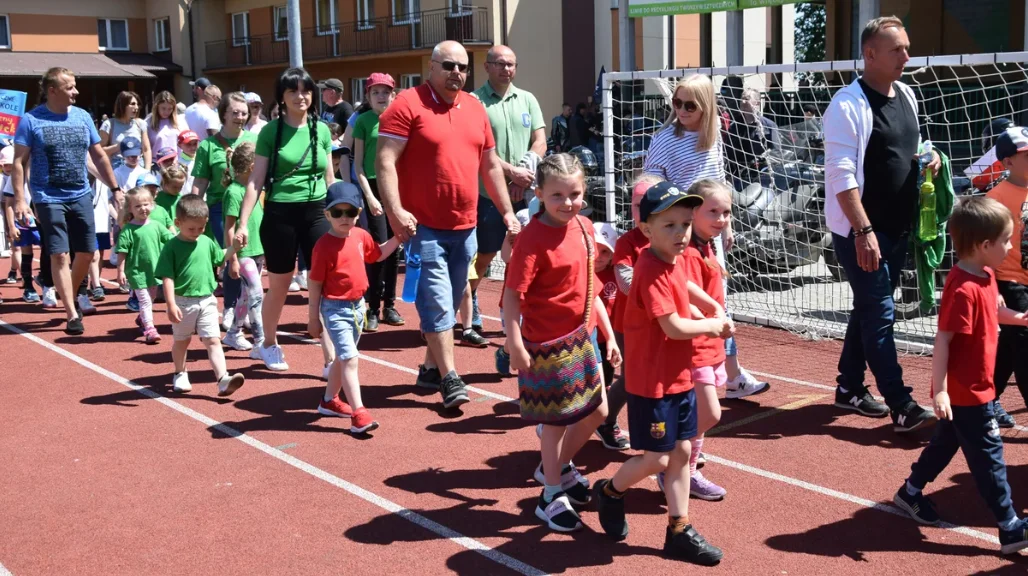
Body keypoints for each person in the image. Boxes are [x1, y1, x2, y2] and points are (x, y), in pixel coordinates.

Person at [377, 40, 519, 409]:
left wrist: (506, 212)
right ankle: (450, 378)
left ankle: (428, 368)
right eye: (449, 66)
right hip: (422, 228)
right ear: (432, 67)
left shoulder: (474, 108)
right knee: (437, 303)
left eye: (462, 67)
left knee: (454, 297)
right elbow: (386, 162)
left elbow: (490, 166)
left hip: (466, 226)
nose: (456, 73)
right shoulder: (406, 105)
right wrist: (395, 210)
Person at [593, 181, 726, 566]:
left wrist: (708, 304)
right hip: (652, 383)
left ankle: (679, 529)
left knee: (682, 452)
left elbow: (684, 283)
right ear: (647, 230)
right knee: (657, 457)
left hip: (678, 375)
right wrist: (710, 326)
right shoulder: (649, 269)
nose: (681, 233)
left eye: (685, 224)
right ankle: (611, 490)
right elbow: (671, 327)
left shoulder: (673, 259)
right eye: (669, 225)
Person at [892, 196, 1028, 555]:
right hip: (968, 393)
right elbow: (943, 340)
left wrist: (1021, 318)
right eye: (1007, 240)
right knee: (990, 458)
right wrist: (940, 391)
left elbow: (994, 314)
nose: (1012, 246)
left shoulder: (986, 275)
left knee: (944, 444)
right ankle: (1010, 525)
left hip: (976, 388)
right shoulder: (963, 289)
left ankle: (909, 492)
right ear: (985, 246)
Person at [823, 16, 940, 432]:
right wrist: (863, 231)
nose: (906, 56)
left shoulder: (907, 93)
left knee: (869, 309)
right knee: (880, 312)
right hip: (863, 232)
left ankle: (849, 387)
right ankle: (901, 403)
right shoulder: (846, 105)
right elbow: (840, 174)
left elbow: (909, 145)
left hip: (899, 227)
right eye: (897, 50)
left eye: (907, 48)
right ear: (870, 54)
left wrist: (929, 155)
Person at [503, 153, 620, 533]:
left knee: (599, 412)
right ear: (538, 194)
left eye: (575, 193)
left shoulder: (585, 227)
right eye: (557, 195)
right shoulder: (532, 239)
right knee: (554, 423)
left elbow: (592, 289)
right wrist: (514, 343)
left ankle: (553, 468)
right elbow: (511, 298)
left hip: (582, 341)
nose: (567, 202)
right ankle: (550, 493)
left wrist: (608, 334)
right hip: (546, 345)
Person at [235, 67, 336, 374]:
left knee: (325, 285)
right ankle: (268, 344)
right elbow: (255, 181)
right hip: (280, 214)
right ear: (281, 97)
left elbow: (330, 177)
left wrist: (343, 213)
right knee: (279, 286)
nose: (300, 96)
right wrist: (242, 223)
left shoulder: (323, 130)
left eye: (305, 90)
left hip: (317, 212)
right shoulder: (269, 132)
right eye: (292, 91)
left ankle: (331, 357)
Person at [11, 67, 122, 335]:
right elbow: (18, 162)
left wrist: (116, 188)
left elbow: (98, 156)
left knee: (87, 253)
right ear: (52, 91)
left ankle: (67, 294)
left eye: (75, 86)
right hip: (47, 196)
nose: (76, 91)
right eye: (70, 87)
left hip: (80, 193)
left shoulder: (83, 117)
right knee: (59, 253)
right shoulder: (31, 120)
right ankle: (72, 313)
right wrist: (20, 201)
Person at [308, 182, 400, 434]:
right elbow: (314, 283)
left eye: (350, 212)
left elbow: (377, 255)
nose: (344, 218)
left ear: (358, 213)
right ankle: (359, 412)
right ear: (327, 214)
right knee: (350, 357)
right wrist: (313, 318)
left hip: (357, 308)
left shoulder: (361, 236)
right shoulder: (323, 246)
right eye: (337, 212)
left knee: (343, 357)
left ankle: (328, 401)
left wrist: (399, 238)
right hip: (334, 309)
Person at [469, 45, 547, 332]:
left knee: (526, 254)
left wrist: (523, 170)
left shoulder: (527, 99)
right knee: (485, 255)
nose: (506, 69)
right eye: (500, 64)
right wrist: (511, 172)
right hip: (487, 193)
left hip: (524, 192)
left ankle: (523, 310)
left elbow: (540, 140)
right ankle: (471, 300)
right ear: (487, 66)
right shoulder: (473, 101)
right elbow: (477, 149)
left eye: (511, 64)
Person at [156, 194, 244, 396]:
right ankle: (180, 373)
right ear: (178, 223)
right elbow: (167, 277)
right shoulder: (171, 247)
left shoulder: (205, 241)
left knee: (213, 340)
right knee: (182, 341)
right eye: (191, 229)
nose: (196, 232)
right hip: (183, 301)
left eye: (201, 228)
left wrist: (234, 248)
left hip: (207, 300)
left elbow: (219, 257)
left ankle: (223, 379)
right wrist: (170, 304)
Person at [984, 126, 1028, 426]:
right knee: (1024, 346)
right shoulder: (995, 198)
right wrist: (992, 286)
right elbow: (983, 249)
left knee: (1009, 349)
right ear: (1007, 162)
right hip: (1010, 282)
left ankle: (986, 400)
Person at [352, 73, 403, 331]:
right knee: (378, 249)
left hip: (396, 187)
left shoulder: (402, 118)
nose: (381, 97)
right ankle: (372, 306)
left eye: (386, 92)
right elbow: (358, 165)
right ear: (368, 96)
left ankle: (389, 305)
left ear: (393, 94)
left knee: (395, 248)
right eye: (376, 92)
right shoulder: (363, 121)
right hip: (372, 187)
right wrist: (369, 196)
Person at [221, 141, 266, 353]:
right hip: (243, 253)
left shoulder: (256, 190)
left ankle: (233, 334)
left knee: (246, 296)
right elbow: (229, 228)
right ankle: (261, 343)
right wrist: (233, 259)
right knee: (256, 294)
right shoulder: (234, 192)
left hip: (257, 251)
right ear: (251, 166)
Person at [116, 186, 174, 345]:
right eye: (138, 206)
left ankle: (142, 318)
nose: (143, 208)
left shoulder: (156, 225)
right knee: (146, 301)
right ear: (130, 209)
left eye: (146, 204)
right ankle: (150, 329)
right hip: (136, 272)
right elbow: (122, 252)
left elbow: (171, 239)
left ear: (152, 205)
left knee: (152, 297)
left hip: (154, 271)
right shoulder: (128, 230)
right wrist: (120, 271)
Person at [725, 87, 782, 187]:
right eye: (742, 98)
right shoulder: (734, 127)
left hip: (762, 178)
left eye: (747, 98)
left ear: (757, 103)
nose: (743, 101)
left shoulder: (769, 126)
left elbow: (777, 153)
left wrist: (762, 162)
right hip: (738, 178)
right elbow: (728, 153)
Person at [100, 91, 152, 171]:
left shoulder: (140, 124)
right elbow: (99, 151)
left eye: (137, 104)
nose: (136, 107)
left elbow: (146, 149)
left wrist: (147, 170)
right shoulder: (109, 124)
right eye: (133, 104)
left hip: (138, 166)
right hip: (117, 166)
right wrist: (118, 147)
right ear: (122, 105)